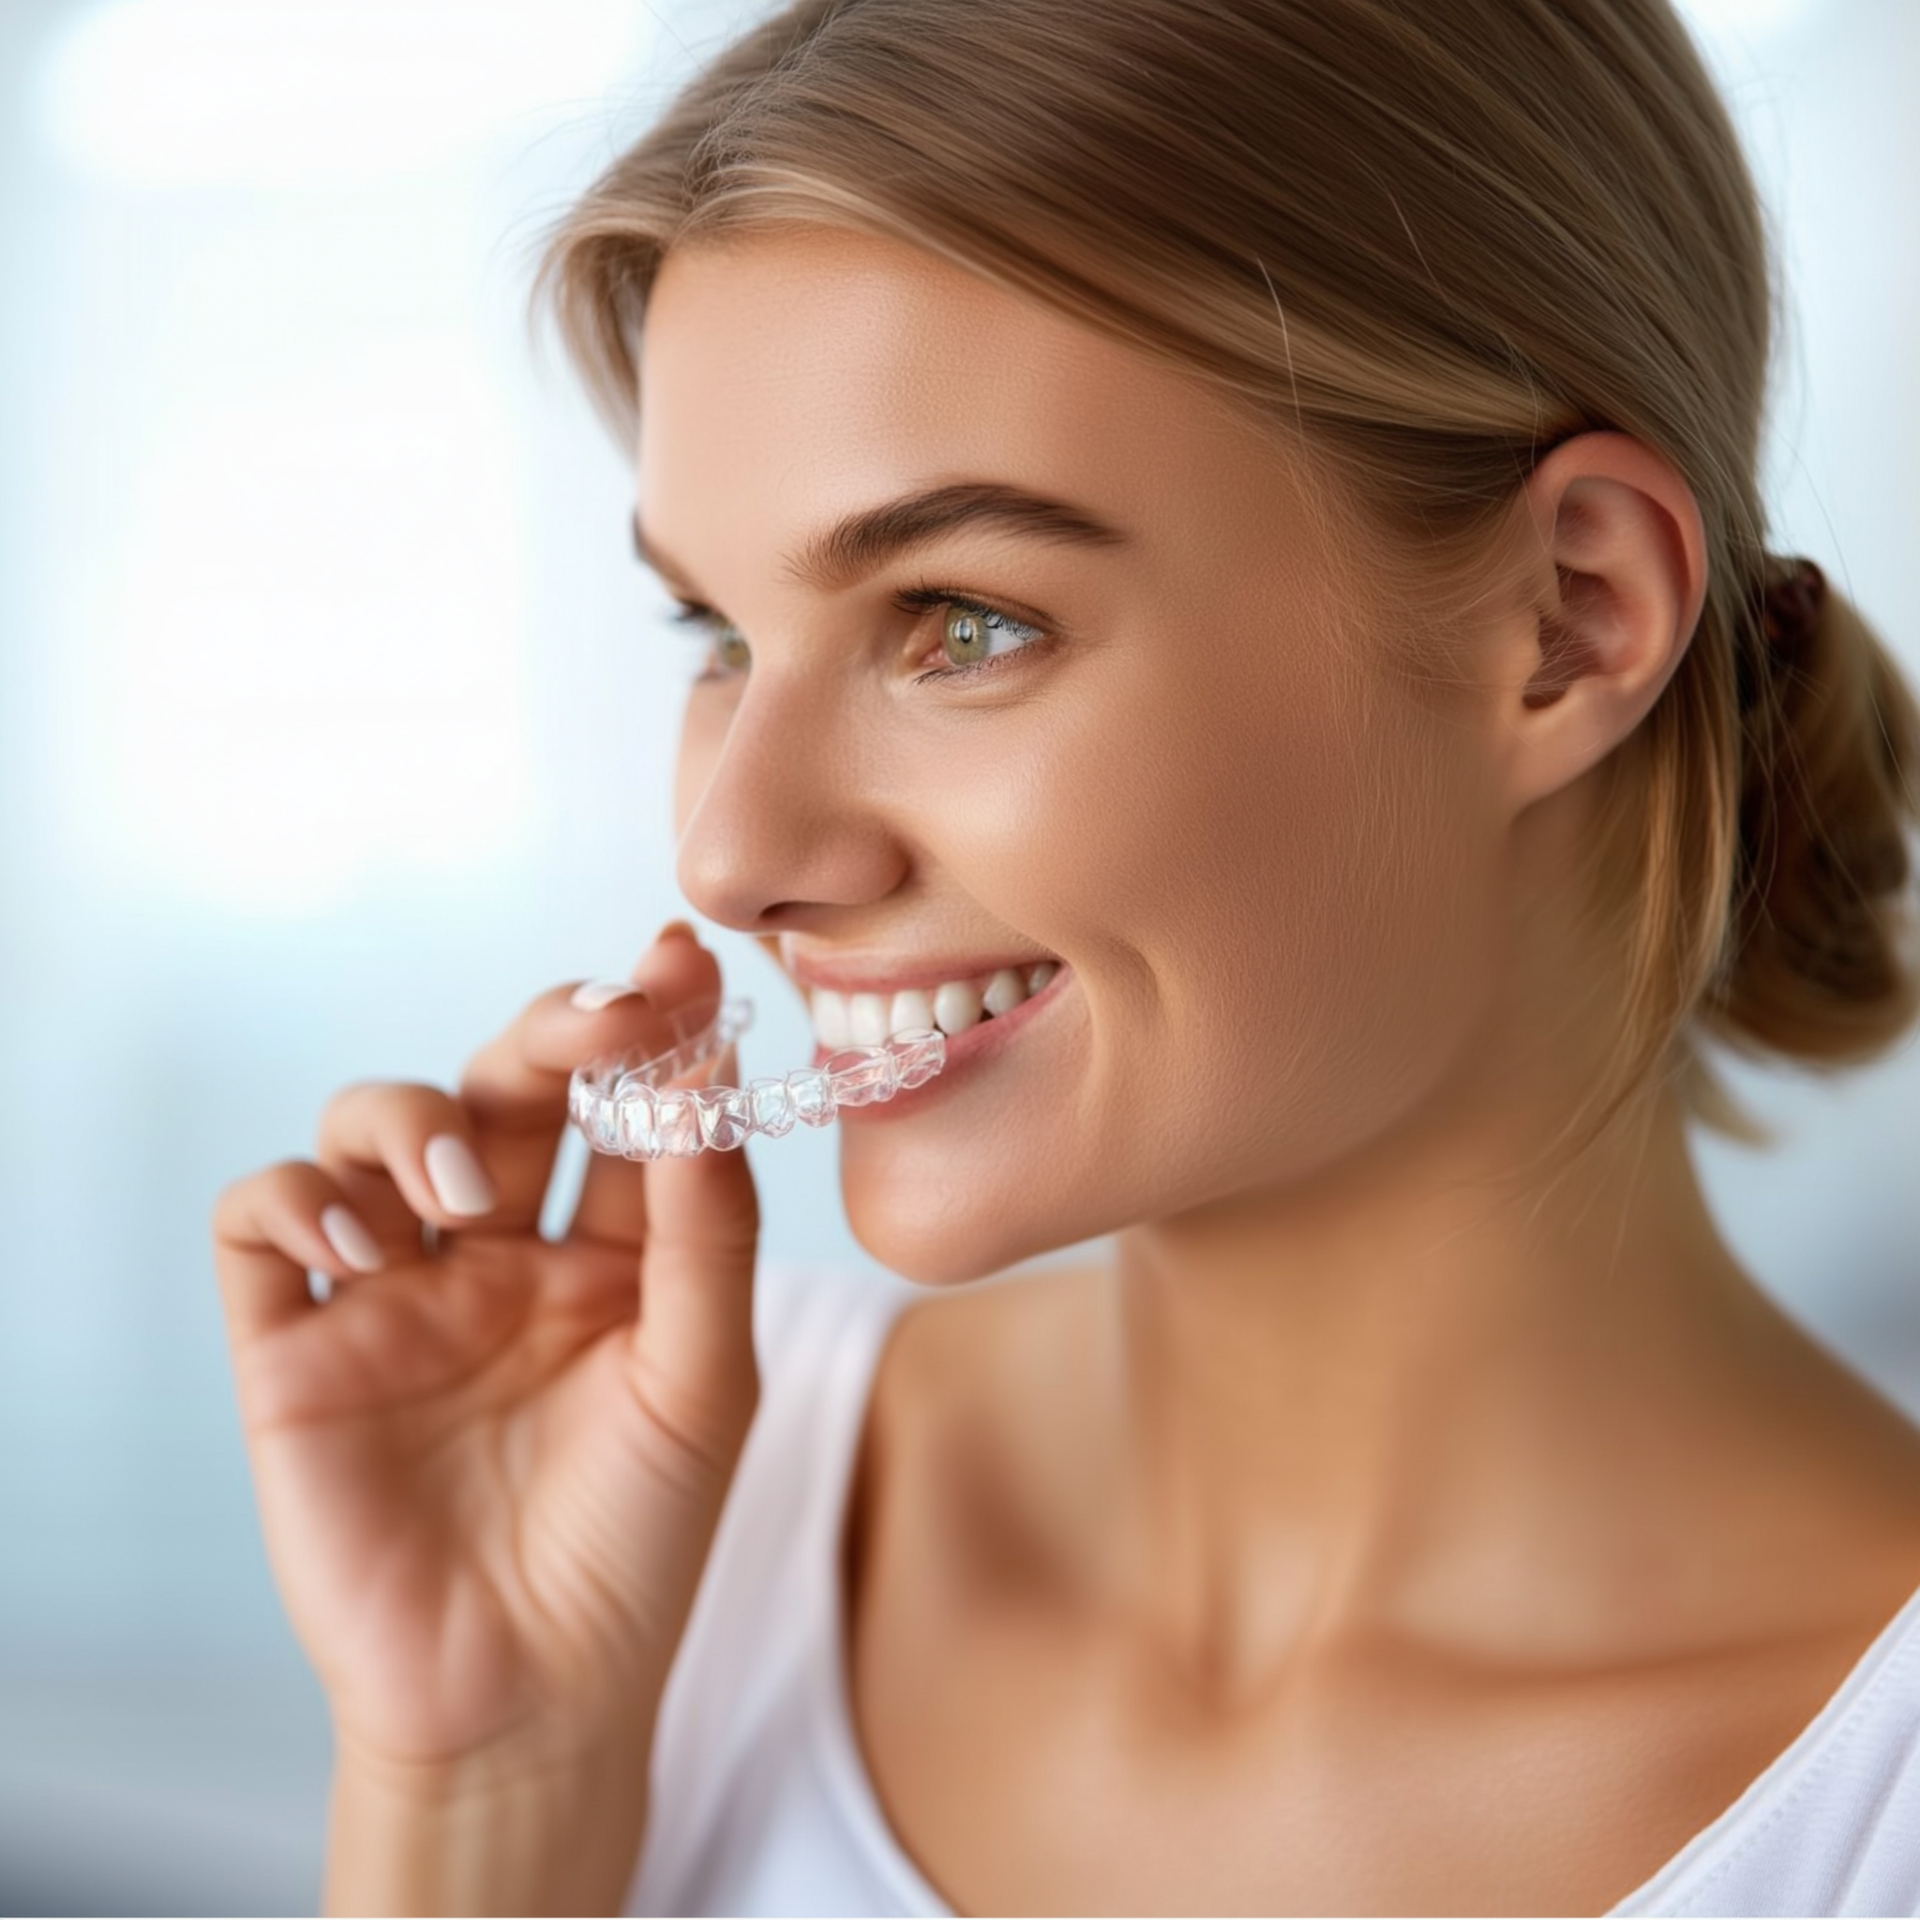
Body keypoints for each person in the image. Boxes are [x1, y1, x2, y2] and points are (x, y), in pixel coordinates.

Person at [210, 0, 1920, 1911]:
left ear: (1570, 618)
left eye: (961, 622)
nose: (732, 858)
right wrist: (488, 1790)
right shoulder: (686, 1503)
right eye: (716, 632)